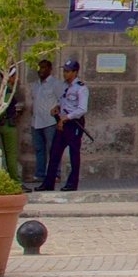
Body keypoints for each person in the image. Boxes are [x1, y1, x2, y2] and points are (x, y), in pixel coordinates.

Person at [38, 59, 87, 192]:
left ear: (75, 72)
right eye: (64, 71)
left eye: (68, 71)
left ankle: (72, 183)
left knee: (74, 153)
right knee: (54, 152)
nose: (65, 74)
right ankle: (48, 183)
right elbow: (64, 101)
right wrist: (58, 107)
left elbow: (82, 109)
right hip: (62, 122)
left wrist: (66, 118)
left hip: (74, 123)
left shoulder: (81, 88)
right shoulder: (65, 86)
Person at [27, 59, 61, 185]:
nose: (41, 70)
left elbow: (62, 100)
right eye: (39, 68)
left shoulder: (55, 84)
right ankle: (39, 174)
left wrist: (58, 110)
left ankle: (55, 174)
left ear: (50, 69)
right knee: (39, 149)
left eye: (44, 68)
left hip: (50, 122)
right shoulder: (36, 85)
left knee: (53, 149)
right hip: (36, 121)